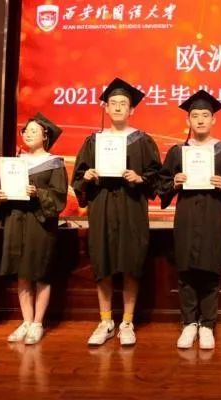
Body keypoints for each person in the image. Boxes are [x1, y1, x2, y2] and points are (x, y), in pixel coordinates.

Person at [72, 77, 162, 346]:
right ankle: (105, 321)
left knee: (131, 264)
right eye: (114, 103)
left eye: (124, 103)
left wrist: (140, 178)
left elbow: (157, 176)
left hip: (131, 206)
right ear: (106, 108)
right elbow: (78, 177)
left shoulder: (143, 141)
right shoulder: (94, 141)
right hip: (102, 206)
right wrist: (87, 176)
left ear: (132, 109)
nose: (119, 107)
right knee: (103, 264)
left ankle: (127, 322)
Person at [158, 90, 221, 350]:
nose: (201, 120)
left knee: (210, 270)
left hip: (213, 216)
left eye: (206, 115)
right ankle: (189, 323)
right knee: (185, 270)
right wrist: (174, 182)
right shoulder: (178, 152)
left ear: (213, 119)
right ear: (188, 121)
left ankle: (207, 324)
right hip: (186, 217)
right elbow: (162, 185)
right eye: (195, 116)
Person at [0, 113, 68, 345]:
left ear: (45, 136)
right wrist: (3, 197)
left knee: (40, 273)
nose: (28, 134)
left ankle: (38, 323)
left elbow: (59, 196)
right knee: (22, 273)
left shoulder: (54, 163)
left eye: (34, 131)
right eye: (25, 131)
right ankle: (26, 321)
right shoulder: (15, 162)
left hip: (40, 223)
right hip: (16, 220)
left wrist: (39, 193)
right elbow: (5, 194)